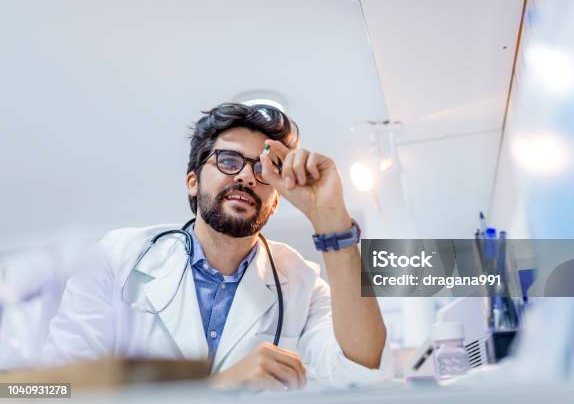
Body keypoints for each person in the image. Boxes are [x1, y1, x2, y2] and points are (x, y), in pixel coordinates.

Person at [43, 103, 392, 390]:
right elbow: (54, 391)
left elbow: (361, 371)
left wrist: (330, 220)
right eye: (228, 161)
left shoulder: (301, 281)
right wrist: (216, 390)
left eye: (263, 169)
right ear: (192, 182)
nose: (245, 176)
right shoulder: (117, 257)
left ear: (274, 202)